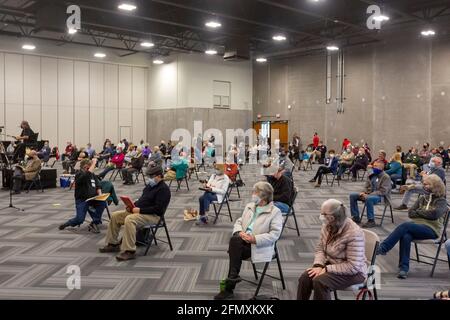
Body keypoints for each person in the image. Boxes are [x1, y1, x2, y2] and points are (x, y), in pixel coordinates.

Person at [214, 182, 282, 300]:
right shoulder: (250, 206)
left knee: (235, 245)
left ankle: (229, 287)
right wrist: (239, 232)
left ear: (263, 196)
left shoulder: (275, 212)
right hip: (243, 242)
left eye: (255, 192)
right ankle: (231, 282)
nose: (252, 194)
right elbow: (239, 221)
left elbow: (274, 235)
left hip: (259, 246)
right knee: (236, 240)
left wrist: (254, 239)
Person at [377, 174, 447, 279]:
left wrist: (419, 211)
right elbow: (410, 213)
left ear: (435, 186)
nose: (424, 186)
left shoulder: (441, 201)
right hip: (416, 226)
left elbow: (435, 215)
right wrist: (423, 212)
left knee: (404, 226)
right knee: (406, 236)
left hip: (431, 230)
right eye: (424, 184)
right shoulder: (423, 198)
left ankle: (384, 248)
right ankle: (403, 269)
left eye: (427, 184)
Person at [297, 199, 366, 300]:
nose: (321, 216)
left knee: (320, 282)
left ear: (332, 218)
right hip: (333, 264)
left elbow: (353, 266)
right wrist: (318, 265)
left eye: (323, 214)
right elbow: (320, 248)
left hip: (354, 272)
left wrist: (326, 269)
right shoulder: (327, 225)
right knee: (305, 278)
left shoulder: (354, 233)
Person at [99, 166, 171, 261]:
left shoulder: (164, 190)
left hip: (154, 216)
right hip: (141, 212)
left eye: (151, 176)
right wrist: (132, 206)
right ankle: (113, 244)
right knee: (115, 216)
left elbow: (158, 209)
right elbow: (143, 200)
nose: (149, 179)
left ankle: (129, 251)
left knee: (130, 219)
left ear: (159, 176)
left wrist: (140, 210)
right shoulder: (150, 186)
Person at [59, 158, 106, 233]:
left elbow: (98, 185)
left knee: (103, 202)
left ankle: (94, 222)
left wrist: (100, 194)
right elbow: (86, 175)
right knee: (80, 219)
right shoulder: (79, 174)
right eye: (90, 166)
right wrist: (94, 163)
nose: (92, 168)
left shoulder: (92, 174)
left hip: (92, 199)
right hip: (82, 200)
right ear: (85, 166)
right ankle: (67, 224)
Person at [349, 161, 392, 228]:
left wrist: (370, 195)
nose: (373, 167)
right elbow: (366, 186)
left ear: (381, 168)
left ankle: (371, 220)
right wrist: (364, 192)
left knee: (369, 199)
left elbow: (383, 191)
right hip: (369, 194)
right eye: (373, 166)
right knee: (352, 195)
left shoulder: (386, 177)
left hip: (381, 197)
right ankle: (356, 216)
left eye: (376, 166)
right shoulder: (371, 175)